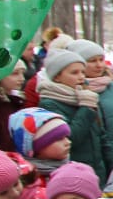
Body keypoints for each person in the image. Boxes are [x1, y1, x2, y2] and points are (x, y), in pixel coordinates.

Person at [36, 46, 108, 181]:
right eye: (74, 73)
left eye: (82, 72)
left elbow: (101, 135)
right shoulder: (50, 103)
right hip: (73, 172)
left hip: (98, 170)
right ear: (57, 76)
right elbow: (70, 138)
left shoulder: (86, 96)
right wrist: (86, 108)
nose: (81, 77)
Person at [68, 38, 113, 178]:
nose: (99, 65)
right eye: (92, 61)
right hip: (86, 166)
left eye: (101, 59)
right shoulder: (69, 93)